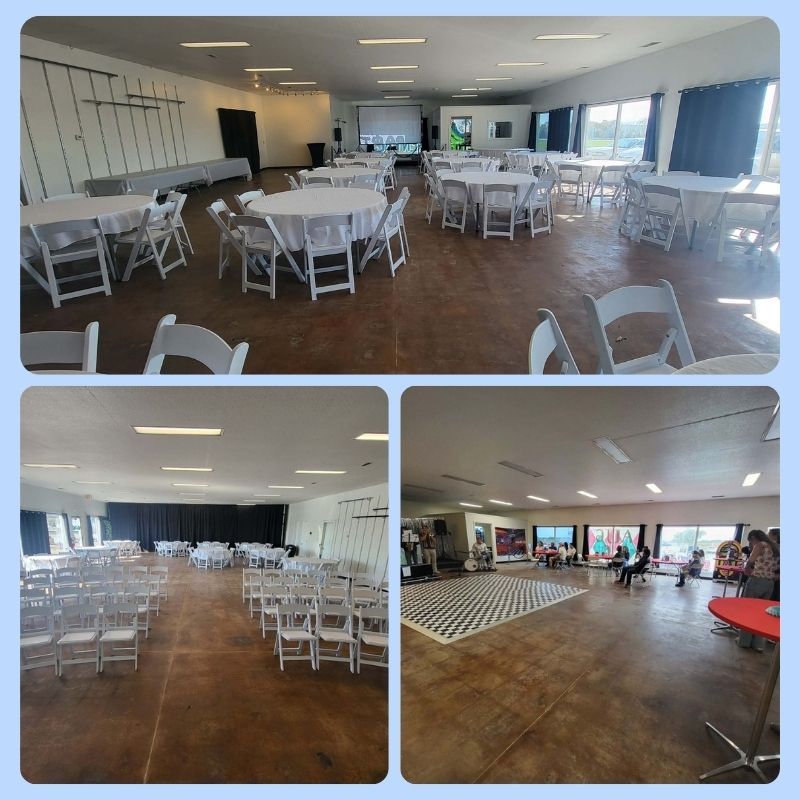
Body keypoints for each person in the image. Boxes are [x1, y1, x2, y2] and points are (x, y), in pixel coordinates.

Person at [738, 529, 779, 651]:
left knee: (748, 611)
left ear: (754, 538)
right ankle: (758, 644)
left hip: (756, 580)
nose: (751, 543)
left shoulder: (760, 545)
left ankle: (744, 641)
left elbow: (751, 561)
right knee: (763, 614)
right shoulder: (775, 547)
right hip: (769, 583)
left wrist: (747, 569)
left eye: (751, 540)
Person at [768, 528, 780, 601]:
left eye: (769, 534)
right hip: (772, 573)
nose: (767, 536)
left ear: (775, 536)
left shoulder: (776, 546)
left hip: (776, 574)